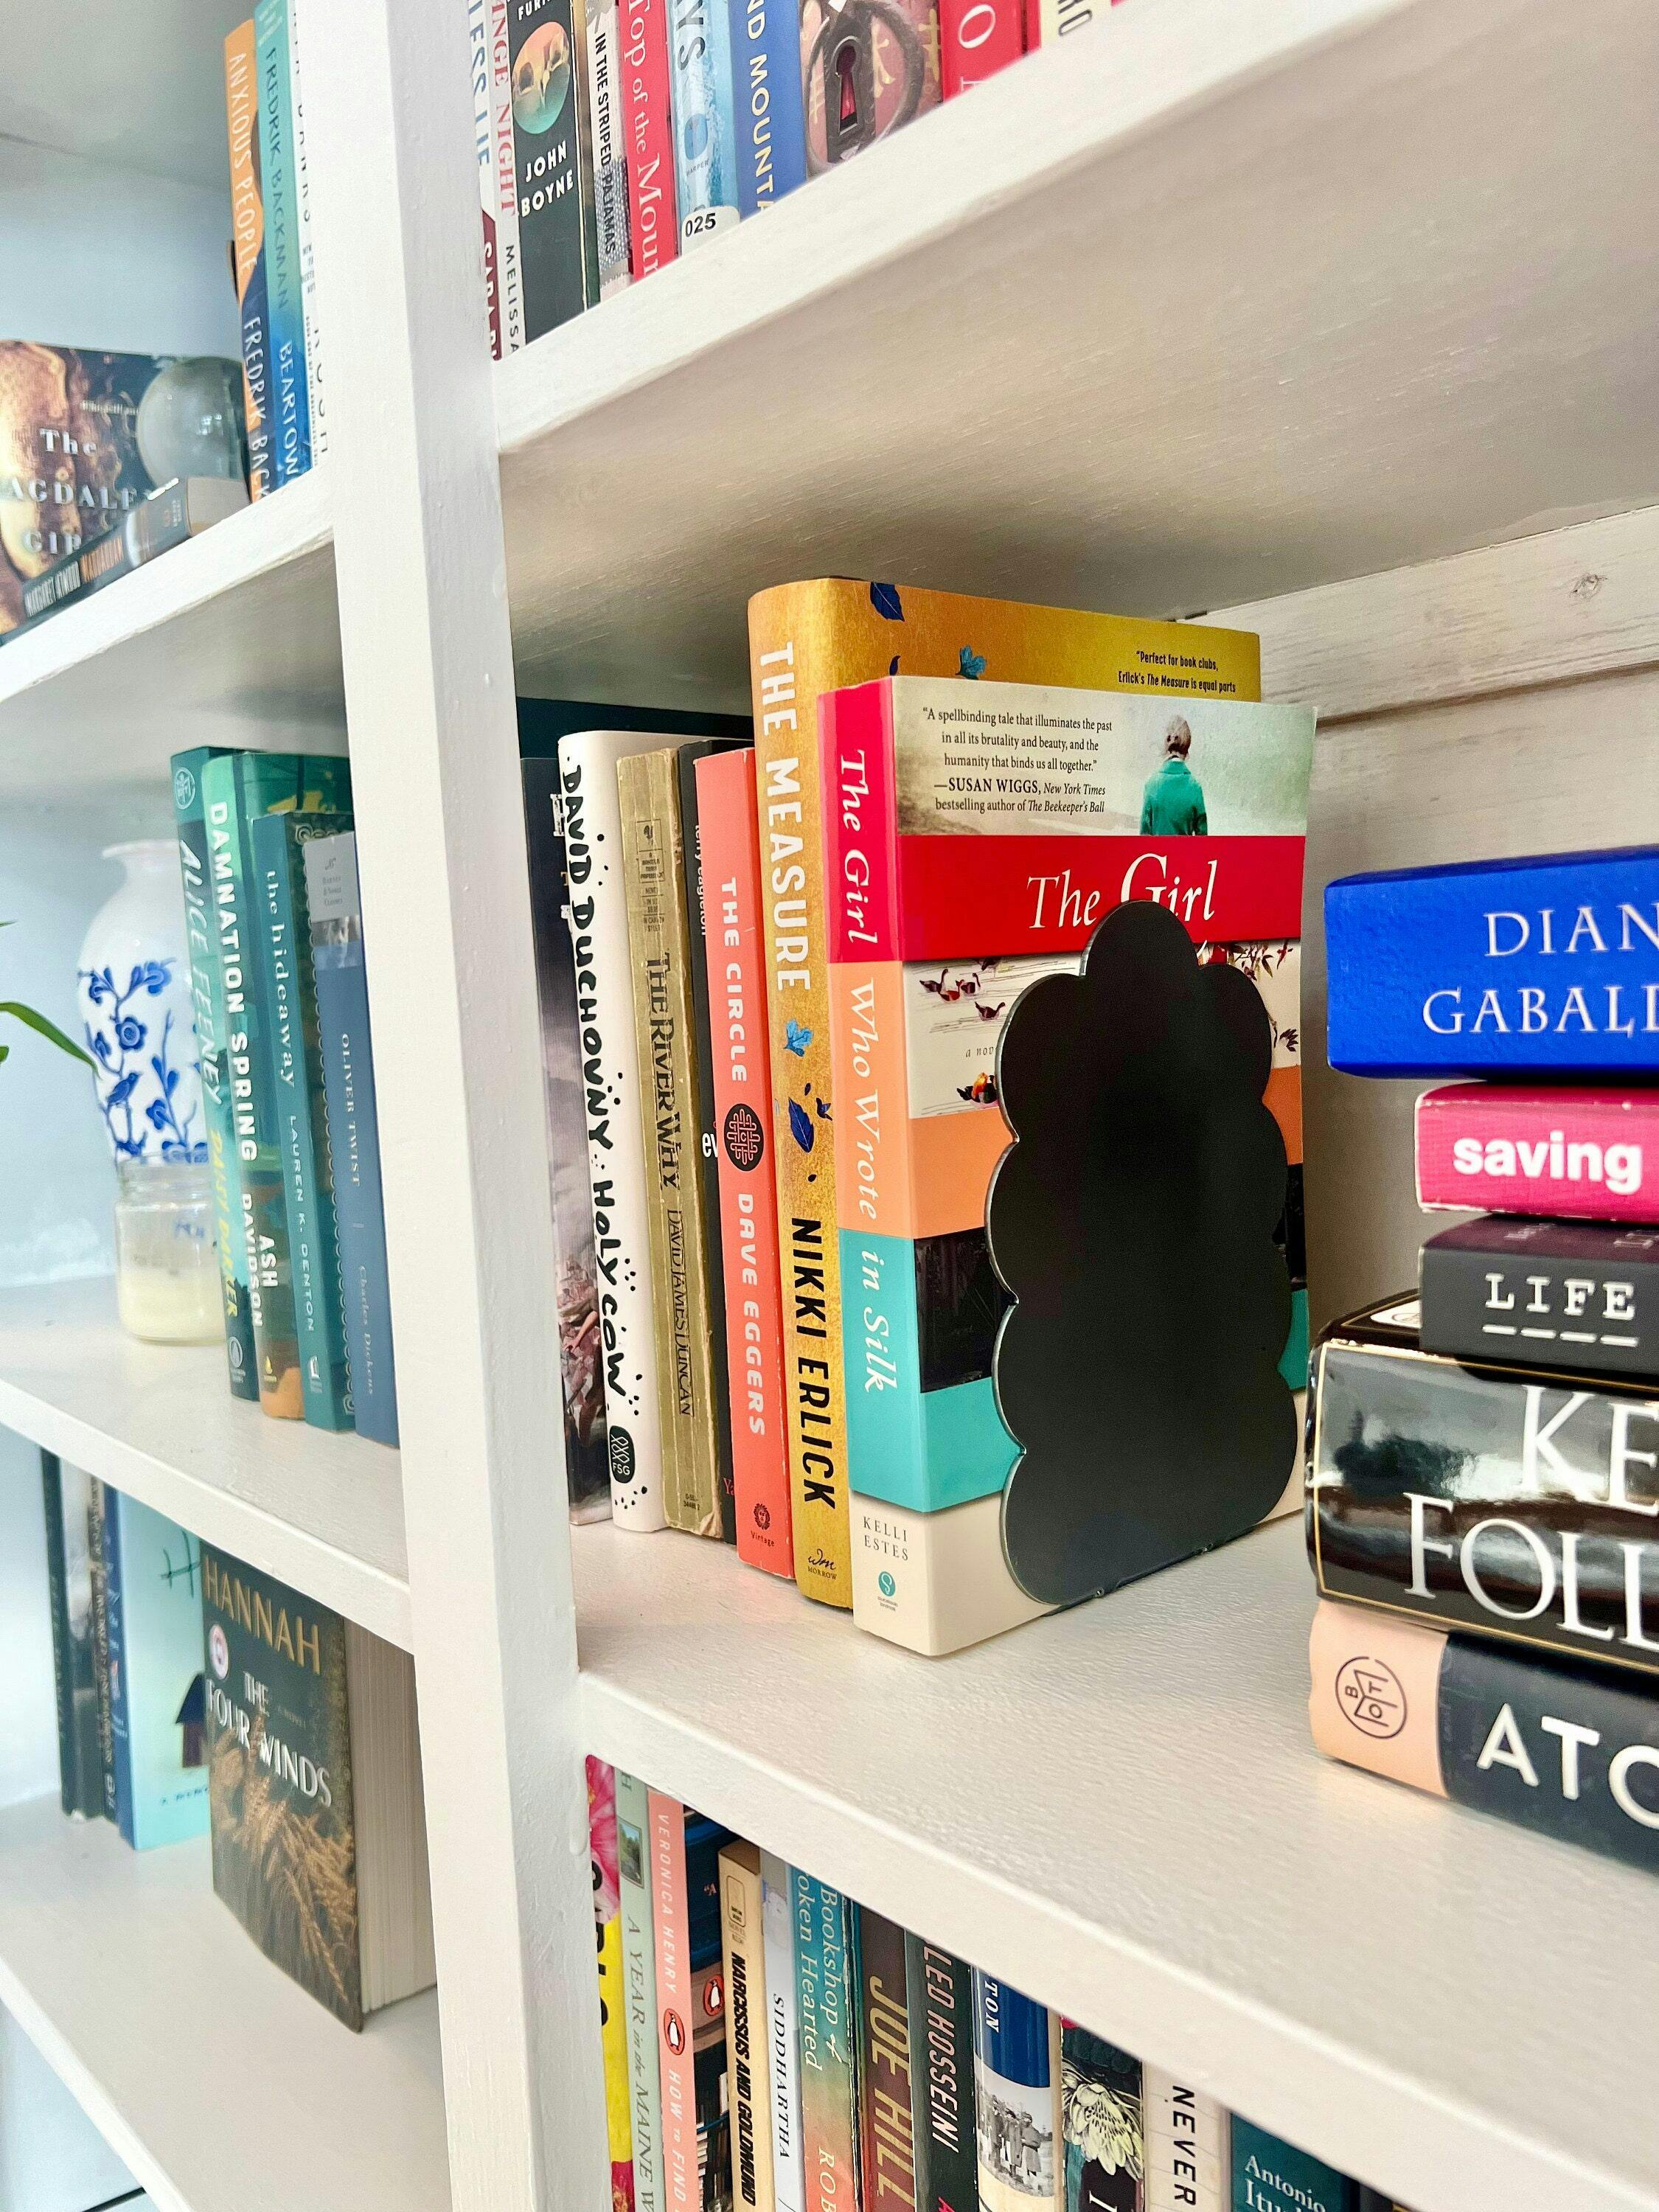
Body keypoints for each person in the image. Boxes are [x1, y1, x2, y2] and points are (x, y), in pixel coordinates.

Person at [1138, 714, 1208, 835]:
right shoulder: (1195, 787)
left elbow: (1145, 835)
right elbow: (1202, 838)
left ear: (1167, 743)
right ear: (1187, 746)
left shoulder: (1151, 784)